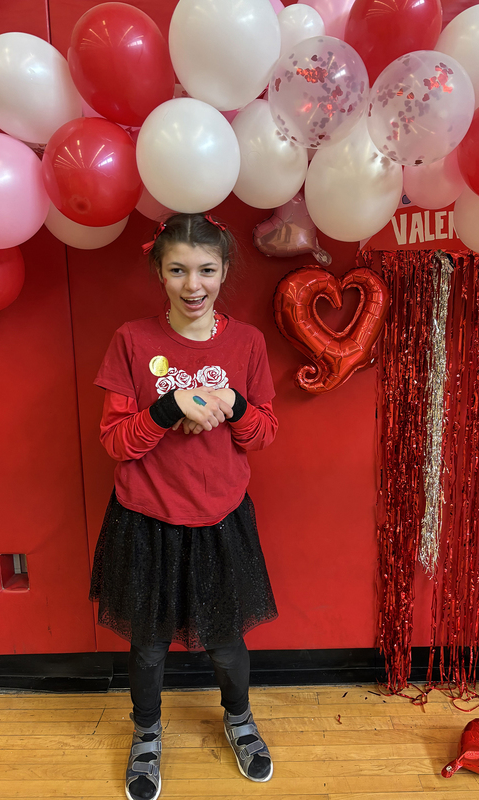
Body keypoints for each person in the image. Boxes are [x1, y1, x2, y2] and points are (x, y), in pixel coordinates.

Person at [89, 212, 279, 800]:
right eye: (177, 270)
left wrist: (235, 406)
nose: (192, 284)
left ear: (223, 271)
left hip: (220, 519)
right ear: (159, 272)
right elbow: (116, 441)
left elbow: (266, 433)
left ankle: (239, 719)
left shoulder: (246, 341)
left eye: (205, 270)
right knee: (147, 644)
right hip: (147, 519)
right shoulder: (133, 340)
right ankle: (146, 733)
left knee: (226, 640)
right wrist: (170, 410)